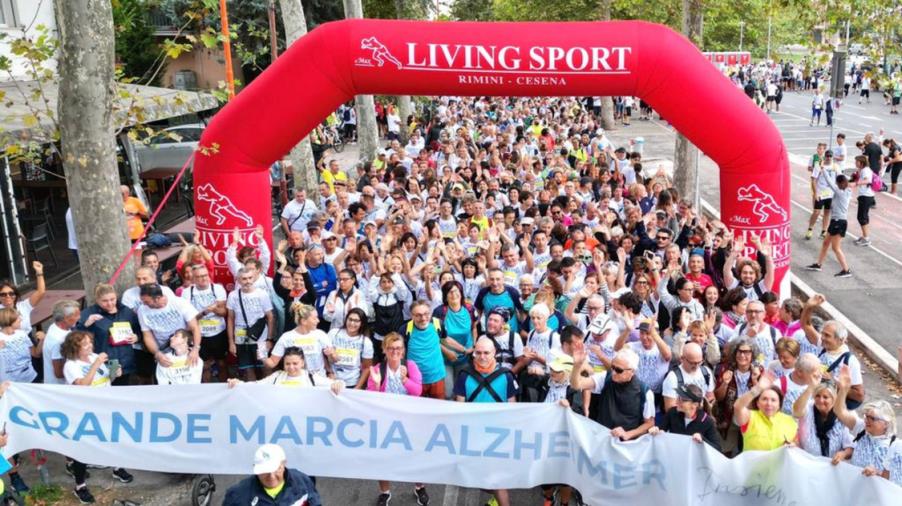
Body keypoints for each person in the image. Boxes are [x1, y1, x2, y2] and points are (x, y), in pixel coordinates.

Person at [61, 330, 134, 503]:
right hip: (86, 411)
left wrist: (114, 372)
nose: (90, 346)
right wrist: (96, 363)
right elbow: (83, 385)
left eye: (90, 342)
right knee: (84, 448)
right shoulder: (71, 365)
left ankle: (117, 468)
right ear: (75, 347)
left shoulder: (94, 356)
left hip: (107, 406)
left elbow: (106, 378)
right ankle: (80, 486)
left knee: (114, 438)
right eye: (85, 344)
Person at [453, 337, 517, 506]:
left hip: (498, 435)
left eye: (486, 353)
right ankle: (495, 497)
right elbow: (459, 406)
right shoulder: (464, 376)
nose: (482, 357)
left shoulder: (506, 376)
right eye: (478, 352)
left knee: (496, 478)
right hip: (474, 433)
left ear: (495, 353)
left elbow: (513, 407)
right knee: (480, 478)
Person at [367, 332, 426, 505]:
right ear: (384, 349)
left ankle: (420, 487)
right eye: (391, 348)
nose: (395, 351)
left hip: (409, 419)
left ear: (403, 350)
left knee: (414, 455)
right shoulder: (378, 369)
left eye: (398, 348)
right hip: (385, 421)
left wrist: (405, 379)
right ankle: (385, 492)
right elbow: (370, 399)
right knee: (383, 457)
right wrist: (377, 384)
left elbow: (418, 391)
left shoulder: (410, 365)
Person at [569, 341, 655, 441]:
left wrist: (628, 434)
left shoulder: (645, 392)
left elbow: (649, 423)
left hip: (628, 445)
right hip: (603, 439)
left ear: (632, 371)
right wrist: (577, 366)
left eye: (619, 370)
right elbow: (576, 385)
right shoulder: (606, 378)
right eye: (613, 367)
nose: (614, 372)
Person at [799, 294, 865, 408]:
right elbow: (806, 324)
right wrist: (808, 306)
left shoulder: (850, 361)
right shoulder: (823, 346)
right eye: (823, 334)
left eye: (827, 335)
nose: (822, 338)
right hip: (817, 403)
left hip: (835, 411)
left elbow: (859, 395)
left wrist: (833, 382)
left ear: (840, 340)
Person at [833, 365, 899, 478]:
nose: (867, 421)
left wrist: (877, 473)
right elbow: (839, 411)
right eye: (866, 416)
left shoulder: (894, 446)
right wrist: (843, 390)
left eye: (872, 418)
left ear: (886, 423)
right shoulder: (861, 429)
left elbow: (895, 480)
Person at [78, 284, 139, 386]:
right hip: (103, 364)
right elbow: (76, 337)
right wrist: (86, 325)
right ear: (97, 300)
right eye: (105, 301)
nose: (110, 303)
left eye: (112, 299)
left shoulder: (126, 311)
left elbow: (139, 329)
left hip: (125, 363)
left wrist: (137, 337)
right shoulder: (88, 314)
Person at [223, 444, 322, 506]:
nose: (271, 476)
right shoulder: (236, 496)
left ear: (283, 464)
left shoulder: (303, 481)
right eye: (265, 470)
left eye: (276, 469)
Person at [137, 283, 201, 378]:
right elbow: (147, 335)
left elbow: (195, 327)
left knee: (190, 374)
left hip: (183, 346)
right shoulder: (142, 310)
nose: (144, 304)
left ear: (157, 298)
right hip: (162, 349)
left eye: (147, 302)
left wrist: (195, 349)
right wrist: (157, 354)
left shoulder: (179, 303)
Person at [792, 370, 852, 461]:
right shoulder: (809, 407)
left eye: (825, 397)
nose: (820, 400)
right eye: (817, 396)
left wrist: (843, 454)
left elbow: (850, 447)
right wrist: (811, 387)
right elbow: (796, 412)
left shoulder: (841, 416)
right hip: (805, 461)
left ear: (833, 399)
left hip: (830, 466)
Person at [181, 265, 229, 382]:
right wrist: (205, 312)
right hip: (199, 334)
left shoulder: (217, 288)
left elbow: (224, 312)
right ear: (193, 279)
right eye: (199, 276)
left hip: (218, 332)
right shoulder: (187, 293)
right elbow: (189, 318)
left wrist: (215, 309)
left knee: (222, 363)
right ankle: (207, 392)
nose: (204, 278)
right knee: (204, 366)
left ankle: (225, 391)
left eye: (205, 275)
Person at [732, 371, 798, 452]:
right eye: (764, 399)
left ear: (779, 404)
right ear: (757, 403)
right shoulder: (750, 417)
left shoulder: (790, 421)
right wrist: (758, 388)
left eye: (773, 400)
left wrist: (793, 445)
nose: (769, 403)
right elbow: (738, 406)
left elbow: (797, 443)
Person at [266, 304, 333, 378]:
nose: (318, 321)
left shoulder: (320, 334)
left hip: (319, 380)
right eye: (315, 318)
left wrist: (332, 354)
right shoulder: (287, 337)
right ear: (304, 321)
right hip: (296, 381)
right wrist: (262, 356)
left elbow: (334, 359)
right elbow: (272, 362)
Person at [649, 384, 722, 451]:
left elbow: (718, 448)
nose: (677, 401)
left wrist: (702, 440)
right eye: (678, 397)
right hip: (674, 455)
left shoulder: (707, 421)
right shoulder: (672, 412)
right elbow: (661, 428)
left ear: (695, 405)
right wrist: (656, 430)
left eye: (682, 400)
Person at [804, 174, 852, 277]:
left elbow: (830, 183)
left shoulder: (841, 193)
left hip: (839, 222)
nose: (835, 184)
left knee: (835, 248)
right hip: (835, 221)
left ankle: (846, 270)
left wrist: (823, 170)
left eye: (837, 183)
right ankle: (818, 264)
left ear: (839, 183)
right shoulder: (847, 190)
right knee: (825, 243)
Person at [326, 308, 373, 388]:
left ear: (362, 323)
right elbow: (323, 357)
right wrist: (329, 372)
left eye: (356, 321)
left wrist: (357, 388)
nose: (352, 323)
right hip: (331, 381)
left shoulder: (366, 342)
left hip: (351, 383)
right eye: (350, 319)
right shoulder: (333, 333)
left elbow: (366, 368)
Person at [661, 342, 715, 412]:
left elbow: (710, 396)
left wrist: (710, 404)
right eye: (692, 363)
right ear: (682, 358)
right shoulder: (672, 377)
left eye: (699, 362)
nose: (696, 366)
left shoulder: (706, 372)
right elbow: (669, 409)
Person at [43, 300, 82, 385]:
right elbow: (59, 373)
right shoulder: (58, 341)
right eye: (76, 315)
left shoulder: (54, 326)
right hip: (60, 388)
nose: (79, 317)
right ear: (66, 318)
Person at [0, 261, 45, 333]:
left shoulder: (23, 306)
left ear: (16, 295)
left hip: (27, 339)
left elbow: (41, 292)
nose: (8, 296)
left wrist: (39, 272)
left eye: (11, 293)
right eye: (3, 294)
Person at [851, 155, 875, 247]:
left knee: (861, 217)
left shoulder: (866, 170)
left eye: (856, 161)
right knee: (864, 216)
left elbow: (867, 181)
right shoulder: (864, 170)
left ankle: (866, 238)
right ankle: (865, 236)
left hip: (866, 196)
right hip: (866, 195)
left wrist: (855, 183)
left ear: (861, 162)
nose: (855, 163)